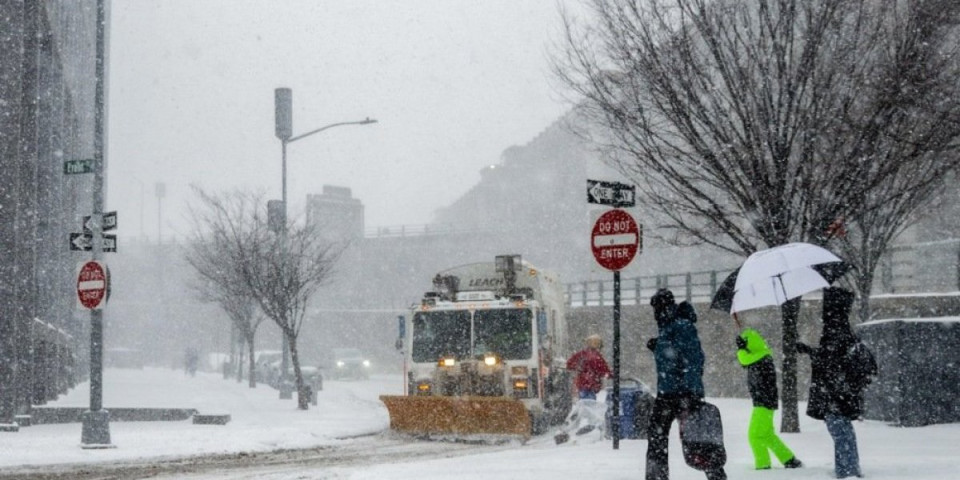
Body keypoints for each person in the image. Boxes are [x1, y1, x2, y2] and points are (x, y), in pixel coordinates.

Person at [645, 289, 726, 480]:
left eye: (656, 307)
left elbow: (693, 359)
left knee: (690, 438)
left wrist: (687, 393)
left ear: (662, 306)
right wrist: (658, 346)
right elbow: (674, 354)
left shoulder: (681, 325)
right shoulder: (669, 326)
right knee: (693, 437)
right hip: (671, 391)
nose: (654, 313)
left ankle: (715, 475)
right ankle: (714, 475)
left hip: (679, 393)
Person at [798, 287, 878, 479]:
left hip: (836, 393)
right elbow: (832, 358)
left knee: (841, 433)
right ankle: (847, 469)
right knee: (843, 433)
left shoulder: (835, 330)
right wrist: (811, 351)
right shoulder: (842, 328)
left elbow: (830, 361)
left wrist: (810, 352)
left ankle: (847, 471)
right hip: (841, 392)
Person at [735, 328, 803, 470]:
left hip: (763, 402)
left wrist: (741, 349)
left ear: (751, 344)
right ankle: (789, 460)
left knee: (754, 436)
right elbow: (744, 362)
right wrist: (743, 348)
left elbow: (743, 359)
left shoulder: (762, 357)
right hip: (764, 402)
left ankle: (763, 466)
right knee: (767, 435)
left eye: (746, 344)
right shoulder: (761, 356)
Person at [566, 334, 612, 400]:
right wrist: (610, 374)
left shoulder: (581, 354)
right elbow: (604, 370)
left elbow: (569, 364)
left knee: (584, 402)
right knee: (590, 403)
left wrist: (578, 368)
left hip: (582, 384)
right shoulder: (598, 357)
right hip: (592, 385)